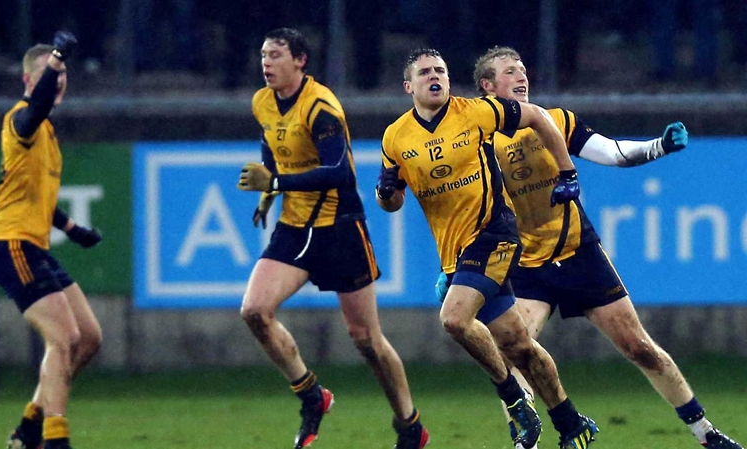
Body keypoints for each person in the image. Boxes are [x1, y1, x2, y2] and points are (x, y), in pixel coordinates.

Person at [435, 45, 743, 449]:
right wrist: (453, 265)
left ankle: (706, 434)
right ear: (487, 86)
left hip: (579, 253)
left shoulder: (555, 120)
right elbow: (458, 208)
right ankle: (526, 441)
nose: (521, 75)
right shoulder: (475, 141)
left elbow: (612, 152)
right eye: (509, 71)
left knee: (639, 347)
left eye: (522, 68)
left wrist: (659, 146)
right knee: (516, 353)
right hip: (523, 265)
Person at [377, 47, 597, 449]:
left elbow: (538, 116)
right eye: (425, 72)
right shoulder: (395, 137)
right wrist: (386, 193)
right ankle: (570, 422)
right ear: (409, 86)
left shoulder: (478, 112)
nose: (434, 76)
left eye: (440, 69)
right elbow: (391, 202)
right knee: (518, 344)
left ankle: (514, 399)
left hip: (494, 233)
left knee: (454, 319)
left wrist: (568, 171)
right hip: (454, 252)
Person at [236, 28, 429, 449]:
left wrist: (276, 182)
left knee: (365, 339)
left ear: (300, 61)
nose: (266, 62)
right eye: (263, 55)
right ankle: (312, 396)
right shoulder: (262, 101)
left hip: (340, 227)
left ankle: (410, 426)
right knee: (254, 311)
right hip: (295, 226)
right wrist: (268, 195)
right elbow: (272, 148)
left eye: (276, 55)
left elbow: (338, 172)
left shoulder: (321, 107)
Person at [0, 31, 104, 449]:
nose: (60, 79)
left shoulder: (47, 132)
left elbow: (39, 197)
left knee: (88, 338)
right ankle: (54, 440)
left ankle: (29, 428)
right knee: (63, 338)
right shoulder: (21, 119)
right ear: (27, 80)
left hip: (33, 246)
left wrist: (73, 230)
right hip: (11, 244)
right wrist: (55, 58)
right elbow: (35, 107)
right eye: (52, 73)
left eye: (65, 73)